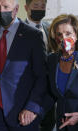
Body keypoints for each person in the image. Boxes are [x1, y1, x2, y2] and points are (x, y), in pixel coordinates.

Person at [0, 0, 47, 130]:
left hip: (22, 114)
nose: (1, 11)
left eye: (6, 7)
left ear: (16, 9)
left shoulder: (32, 35)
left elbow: (42, 77)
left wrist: (32, 108)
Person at [24, 0, 55, 131]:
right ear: (26, 8)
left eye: (43, 6)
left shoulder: (50, 28)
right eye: (35, 6)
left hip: (49, 88)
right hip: (30, 89)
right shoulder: (20, 30)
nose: (40, 9)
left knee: (49, 122)